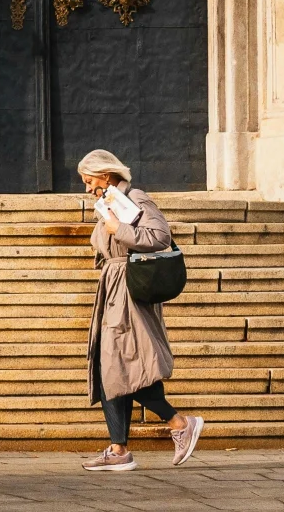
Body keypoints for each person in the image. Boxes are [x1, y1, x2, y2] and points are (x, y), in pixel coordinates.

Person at [78, 149, 205, 472]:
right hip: (113, 289)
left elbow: (160, 237)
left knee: (126, 366)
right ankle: (119, 448)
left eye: (89, 181)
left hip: (130, 293)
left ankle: (179, 423)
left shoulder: (135, 198)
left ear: (106, 175)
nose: (87, 188)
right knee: (111, 367)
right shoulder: (109, 202)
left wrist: (117, 229)